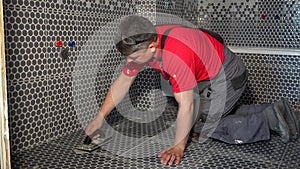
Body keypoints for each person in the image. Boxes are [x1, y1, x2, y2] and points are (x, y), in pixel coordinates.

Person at [85, 15, 299, 166]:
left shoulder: (175, 54)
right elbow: (122, 83)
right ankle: (273, 109)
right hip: (209, 75)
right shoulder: (144, 39)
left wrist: (178, 146)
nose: (130, 63)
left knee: (203, 130)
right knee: (197, 119)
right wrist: (100, 117)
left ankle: (269, 120)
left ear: (151, 47)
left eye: (132, 58)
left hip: (227, 75)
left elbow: (186, 104)